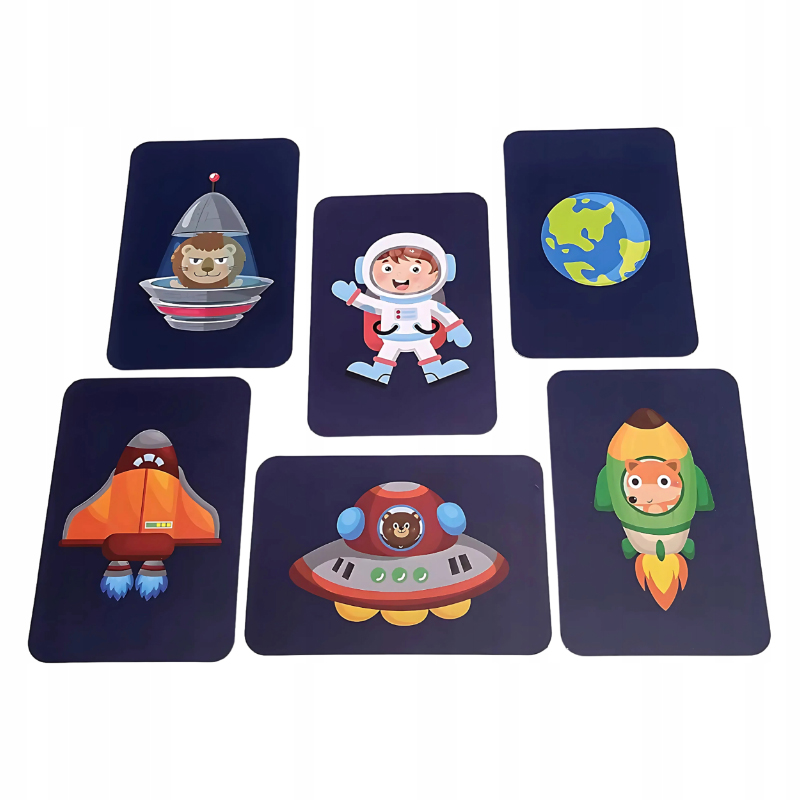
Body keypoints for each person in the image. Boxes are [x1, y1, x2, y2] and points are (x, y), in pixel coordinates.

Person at [331, 233, 472, 384]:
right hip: (392, 337)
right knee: (387, 353)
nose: (400, 275)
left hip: (421, 336)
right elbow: (368, 304)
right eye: (387, 268)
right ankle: (379, 373)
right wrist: (352, 296)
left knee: (426, 352)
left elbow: (444, 313)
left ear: (443, 272)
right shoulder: (386, 304)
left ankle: (435, 372)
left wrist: (456, 328)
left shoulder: (427, 303)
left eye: (416, 269)